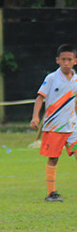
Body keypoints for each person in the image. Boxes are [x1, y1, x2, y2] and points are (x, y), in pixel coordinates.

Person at [30, 43, 77, 202]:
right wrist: (35, 117)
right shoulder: (51, 78)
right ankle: (51, 193)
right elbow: (40, 98)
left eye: (69, 59)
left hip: (72, 127)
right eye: (63, 59)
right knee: (53, 158)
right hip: (55, 127)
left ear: (75, 61)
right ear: (57, 60)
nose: (66, 62)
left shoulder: (76, 79)